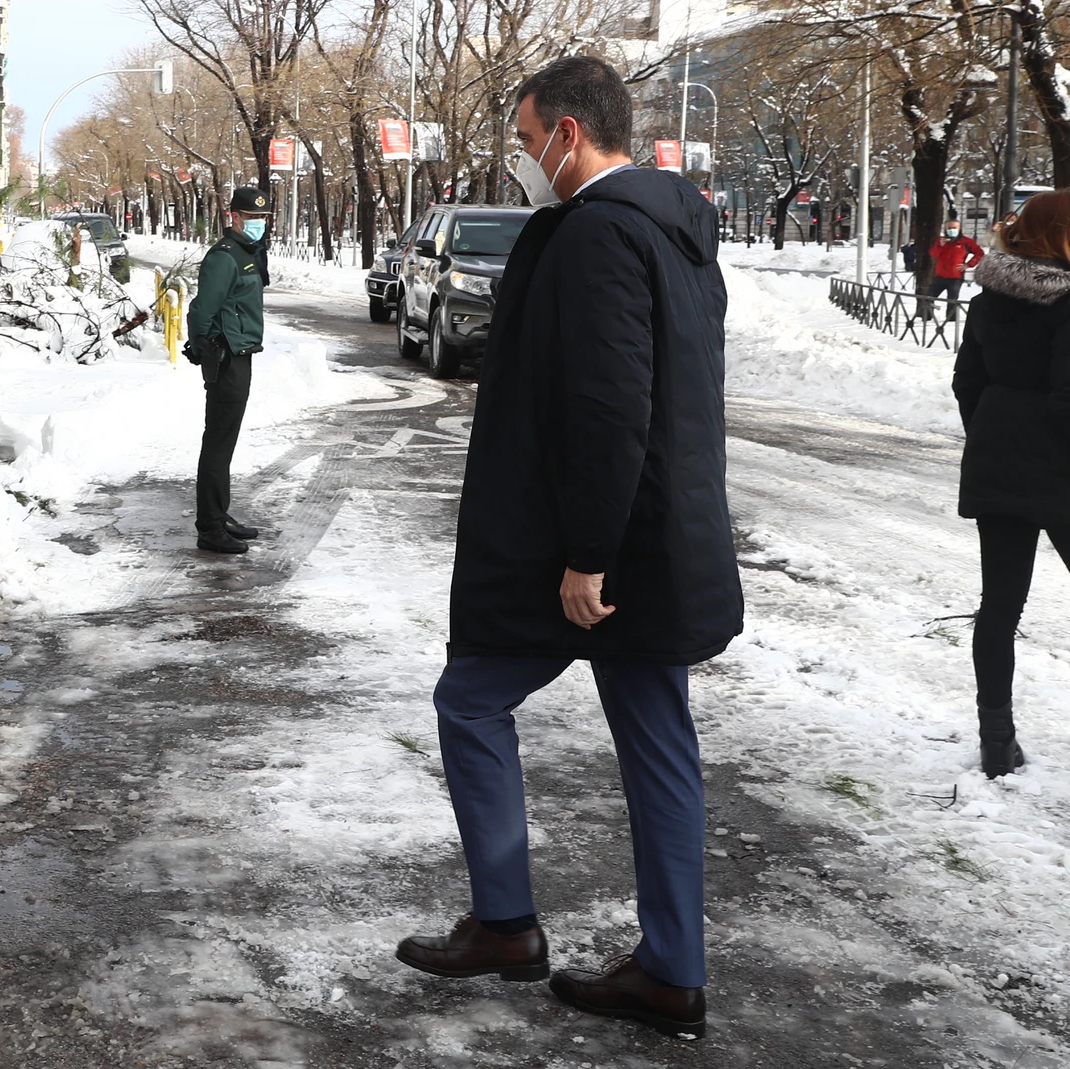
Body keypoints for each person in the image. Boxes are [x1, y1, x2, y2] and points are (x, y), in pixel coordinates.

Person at [392, 56, 739, 1041]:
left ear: (567, 135)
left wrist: (585, 555)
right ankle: (668, 972)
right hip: (657, 538)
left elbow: (606, 405)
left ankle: (506, 923)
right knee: (659, 743)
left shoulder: (596, 236)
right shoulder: (677, 232)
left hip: (589, 553)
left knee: (470, 698)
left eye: (523, 139)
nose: (520, 160)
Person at [951, 191, 1070, 778]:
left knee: (999, 606)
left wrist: (995, 431)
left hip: (999, 464)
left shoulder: (989, 299)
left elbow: (965, 382)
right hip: (1061, 471)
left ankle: (996, 738)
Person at [183, 186, 273, 554]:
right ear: (232, 216)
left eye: (262, 219)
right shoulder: (224, 257)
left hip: (241, 352)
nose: (257, 224)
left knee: (225, 441)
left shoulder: (246, 253)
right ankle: (210, 527)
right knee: (218, 444)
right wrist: (200, 343)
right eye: (251, 217)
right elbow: (203, 307)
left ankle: (219, 514)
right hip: (226, 357)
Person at [927, 218, 985, 319]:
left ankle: (950, 320)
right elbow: (933, 254)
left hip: (956, 277)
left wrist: (968, 264)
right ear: (945, 229)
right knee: (928, 297)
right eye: (949, 228)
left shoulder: (966, 242)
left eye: (954, 227)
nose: (951, 229)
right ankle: (926, 317)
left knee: (952, 300)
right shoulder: (941, 241)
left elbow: (979, 253)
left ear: (959, 228)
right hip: (940, 275)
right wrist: (940, 245)